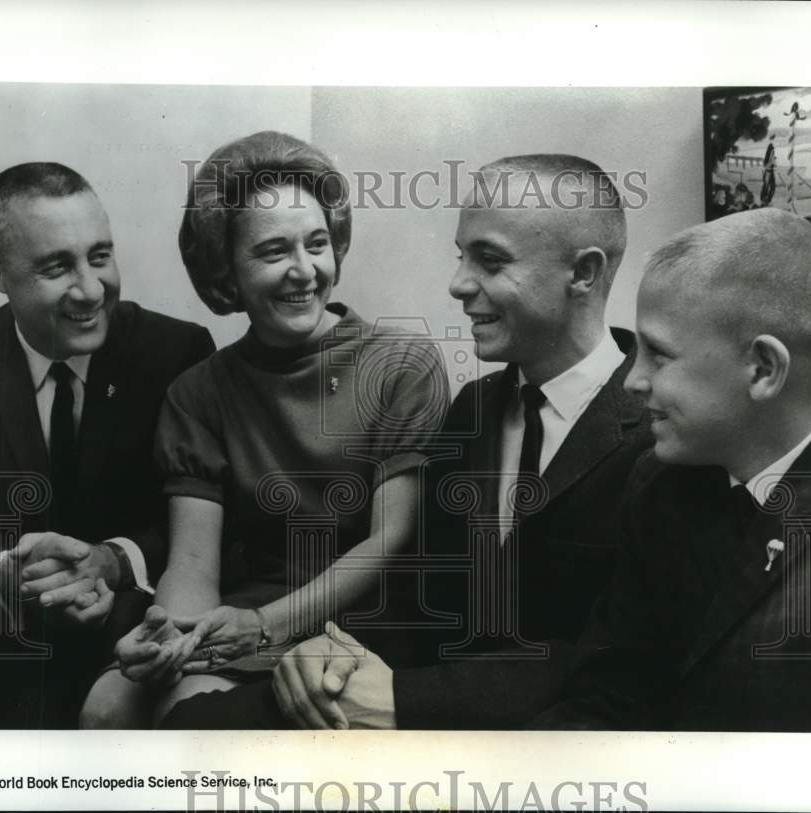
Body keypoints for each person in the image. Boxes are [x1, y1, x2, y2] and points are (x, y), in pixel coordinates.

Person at [190, 154, 653, 730]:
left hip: (537, 742)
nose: (458, 284)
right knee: (190, 726)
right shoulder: (475, 410)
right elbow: (420, 595)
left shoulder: (661, 436)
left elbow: (621, 663)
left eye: (489, 260)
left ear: (583, 274)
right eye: (461, 257)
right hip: (412, 701)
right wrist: (329, 652)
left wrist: (406, 701)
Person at [80, 131, 449, 727]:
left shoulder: (403, 364)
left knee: (189, 716)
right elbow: (194, 562)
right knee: (106, 709)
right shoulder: (197, 392)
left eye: (317, 244)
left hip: (358, 620)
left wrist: (263, 627)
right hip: (241, 617)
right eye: (274, 251)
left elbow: (390, 540)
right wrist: (169, 638)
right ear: (227, 272)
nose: (304, 271)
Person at [530, 207, 811, 731]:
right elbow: (610, 693)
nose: (633, 380)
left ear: (763, 370)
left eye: (659, 354)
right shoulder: (658, 483)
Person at [0, 162, 215, 728]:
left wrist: (112, 561)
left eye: (100, 256)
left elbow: (201, 523)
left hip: (130, 651)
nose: (90, 290)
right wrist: (4, 574)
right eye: (56, 266)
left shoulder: (177, 352)